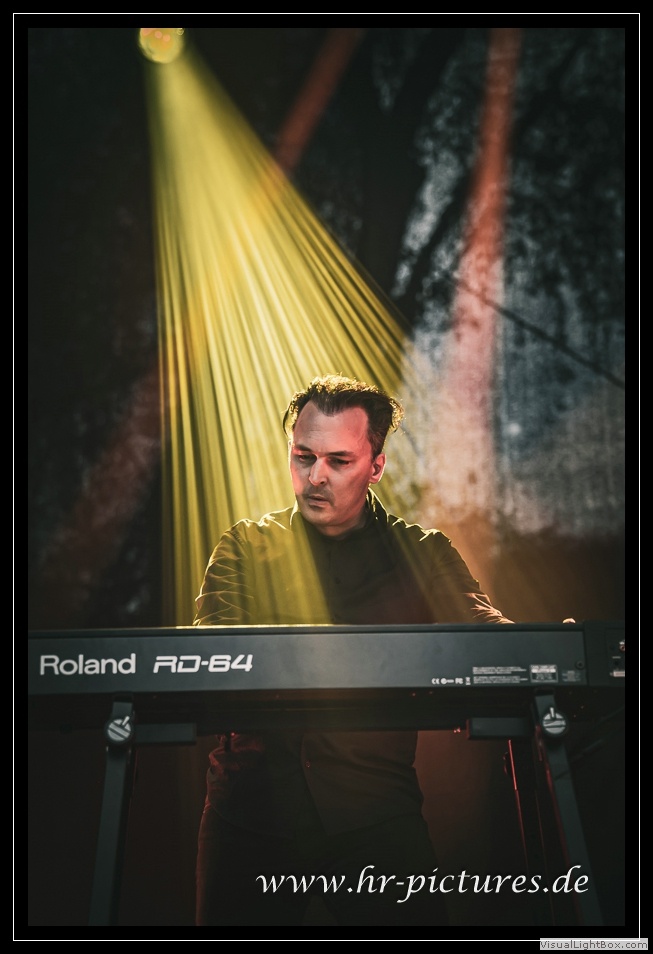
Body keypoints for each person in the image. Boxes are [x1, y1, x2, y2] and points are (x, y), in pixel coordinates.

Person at [193, 373, 513, 927]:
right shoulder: (243, 547)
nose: (315, 476)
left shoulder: (422, 553)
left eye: (338, 461)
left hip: (376, 816)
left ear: (376, 466)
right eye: (303, 456)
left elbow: (487, 633)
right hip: (250, 815)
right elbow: (211, 663)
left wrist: (545, 645)